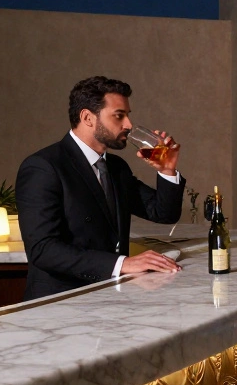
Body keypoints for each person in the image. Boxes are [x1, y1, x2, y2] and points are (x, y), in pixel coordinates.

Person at [16, 76, 185, 300]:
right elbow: (43, 249)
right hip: (61, 303)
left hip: (111, 298)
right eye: (119, 116)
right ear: (87, 117)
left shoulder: (116, 167)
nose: (129, 125)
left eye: (127, 115)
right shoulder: (43, 167)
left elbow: (163, 213)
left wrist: (167, 170)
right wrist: (123, 263)